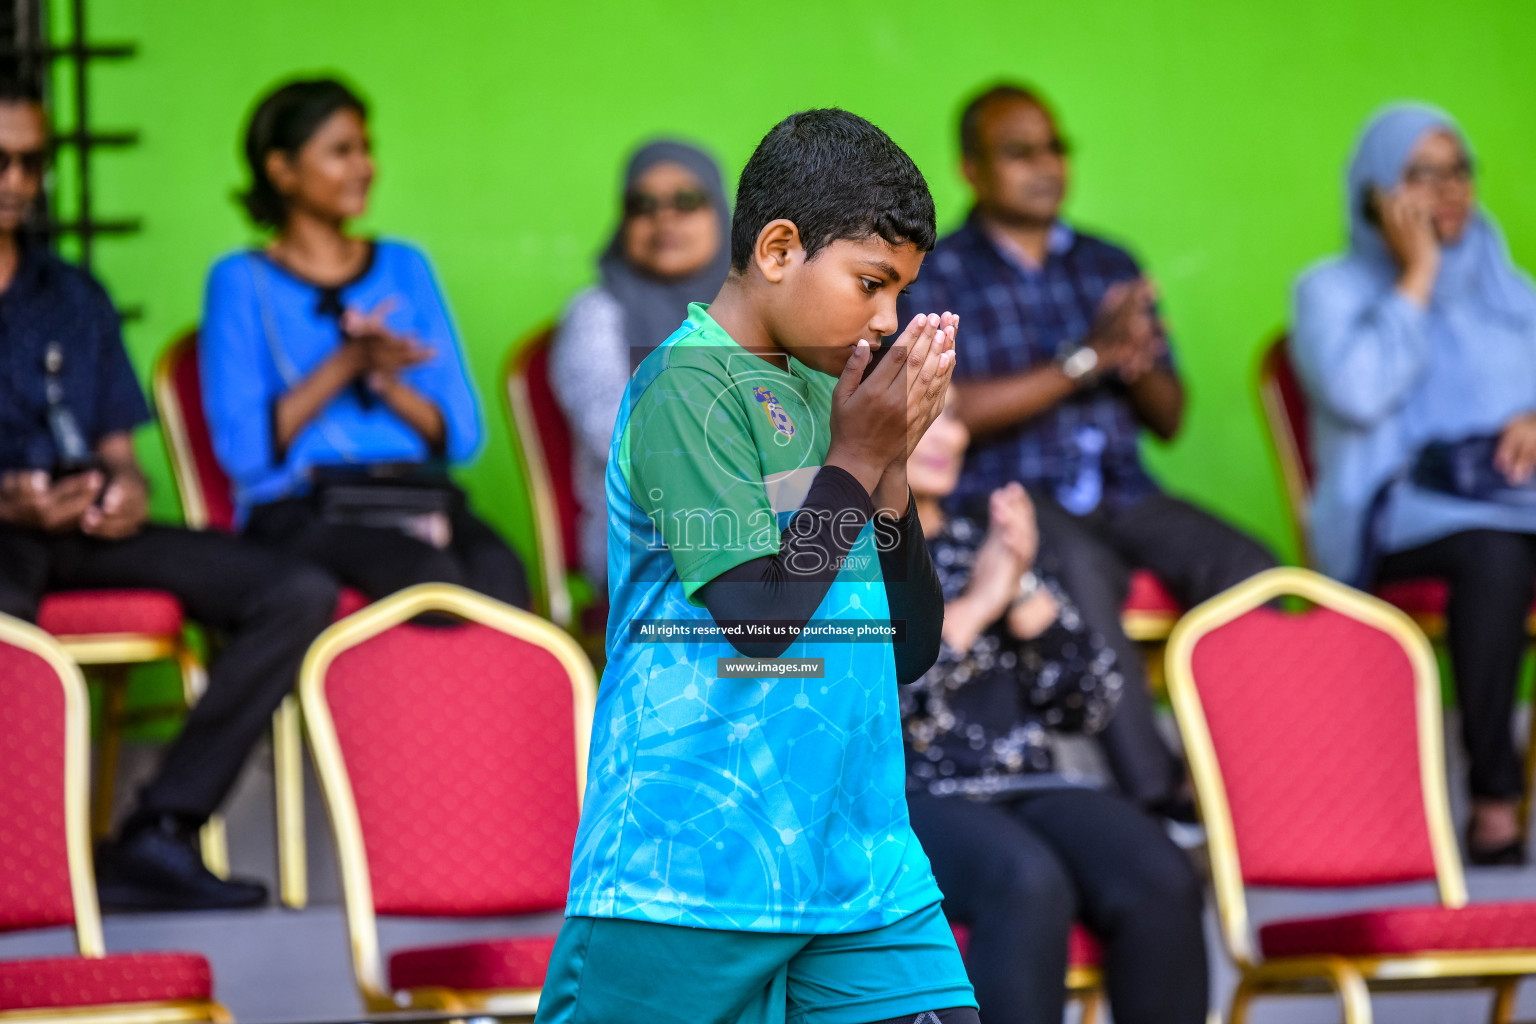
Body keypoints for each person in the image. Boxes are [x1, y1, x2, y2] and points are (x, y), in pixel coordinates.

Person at [537, 109, 978, 1024]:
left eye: (900, 293)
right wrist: (857, 456)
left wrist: (890, 462)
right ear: (779, 249)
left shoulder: (839, 400)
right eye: (870, 283)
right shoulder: (684, 387)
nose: (887, 319)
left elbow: (912, 645)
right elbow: (762, 621)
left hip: (860, 863)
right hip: (692, 868)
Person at [0, 76, 337, 910]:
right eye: (1, 161)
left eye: (33, 163)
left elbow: (120, 449)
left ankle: (159, 832)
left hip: (80, 531)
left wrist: (119, 486)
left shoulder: (71, 294)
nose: (17, 181)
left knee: (294, 590)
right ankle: (23, 864)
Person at [900, 82, 1274, 819]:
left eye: (1055, 147)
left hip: (1125, 491)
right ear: (972, 169)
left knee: (1252, 569)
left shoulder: (1109, 263)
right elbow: (950, 407)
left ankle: (1247, 780)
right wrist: (1087, 357)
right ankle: (1157, 794)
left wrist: (1136, 358)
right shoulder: (939, 272)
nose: (1046, 165)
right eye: (1020, 152)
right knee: (1078, 568)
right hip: (1012, 492)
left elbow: (1170, 419)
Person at [901, 399, 1208, 1024]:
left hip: (1026, 784)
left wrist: (1024, 594)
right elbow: (884, 710)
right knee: (1027, 879)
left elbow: (1089, 704)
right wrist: (981, 603)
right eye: (920, 413)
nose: (944, 434)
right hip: (903, 794)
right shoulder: (840, 554)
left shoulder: (988, 543)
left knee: (1160, 874)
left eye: (956, 416)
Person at [1292, 103, 1536, 865]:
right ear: (1375, 192)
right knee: (1497, 558)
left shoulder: (1507, 285)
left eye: (1458, 169)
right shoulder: (1328, 290)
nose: (1449, 190)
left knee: (1504, 546)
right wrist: (1418, 275)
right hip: (1391, 516)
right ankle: (1495, 797)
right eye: (1422, 174)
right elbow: (1358, 394)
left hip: (1512, 503)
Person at [200, 77, 527, 606]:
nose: (364, 167)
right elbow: (245, 455)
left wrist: (386, 381)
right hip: (303, 508)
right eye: (340, 151)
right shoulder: (240, 281)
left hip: (416, 495)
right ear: (281, 170)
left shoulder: (405, 265)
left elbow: (464, 438)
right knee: (427, 576)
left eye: (366, 149)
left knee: (501, 572)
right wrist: (346, 362)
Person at [550, 139, 731, 585]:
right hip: (642, 533)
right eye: (642, 204)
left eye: (686, 201)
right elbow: (626, 437)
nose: (663, 218)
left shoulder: (761, 308)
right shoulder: (596, 313)